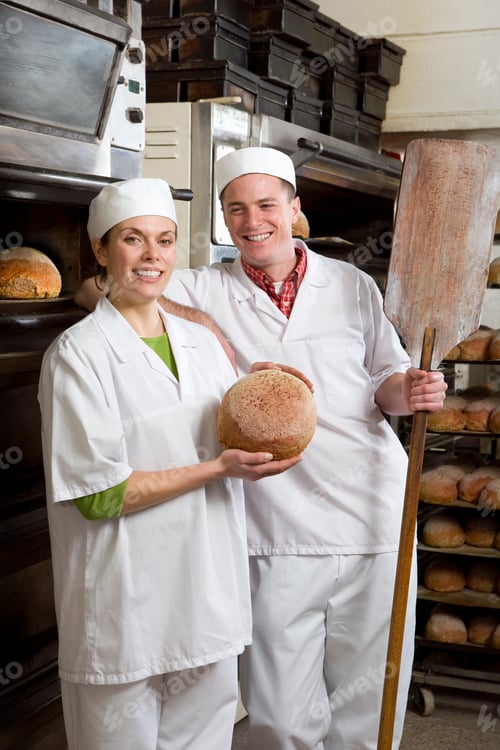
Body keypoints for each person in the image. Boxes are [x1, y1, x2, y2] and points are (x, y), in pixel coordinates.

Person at [75, 150, 447, 750]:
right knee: (278, 716)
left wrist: (413, 389)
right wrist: (209, 328)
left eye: (267, 205)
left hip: (372, 514)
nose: (253, 222)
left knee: (370, 708)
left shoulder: (351, 284)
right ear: (224, 219)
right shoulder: (199, 285)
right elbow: (95, 290)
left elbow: (388, 382)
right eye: (236, 209)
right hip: (272, 526)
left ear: (295, 210)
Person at [39, 177, 301, 750]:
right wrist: (216, 470)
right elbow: (99, 495)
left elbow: (234, 427)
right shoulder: (78, 355)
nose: (152, 255)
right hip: (125, 609)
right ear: (102, 251)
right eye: (133, 239)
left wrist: (271, 392)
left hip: (207, 600)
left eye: (164, 240)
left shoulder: (203, 344)